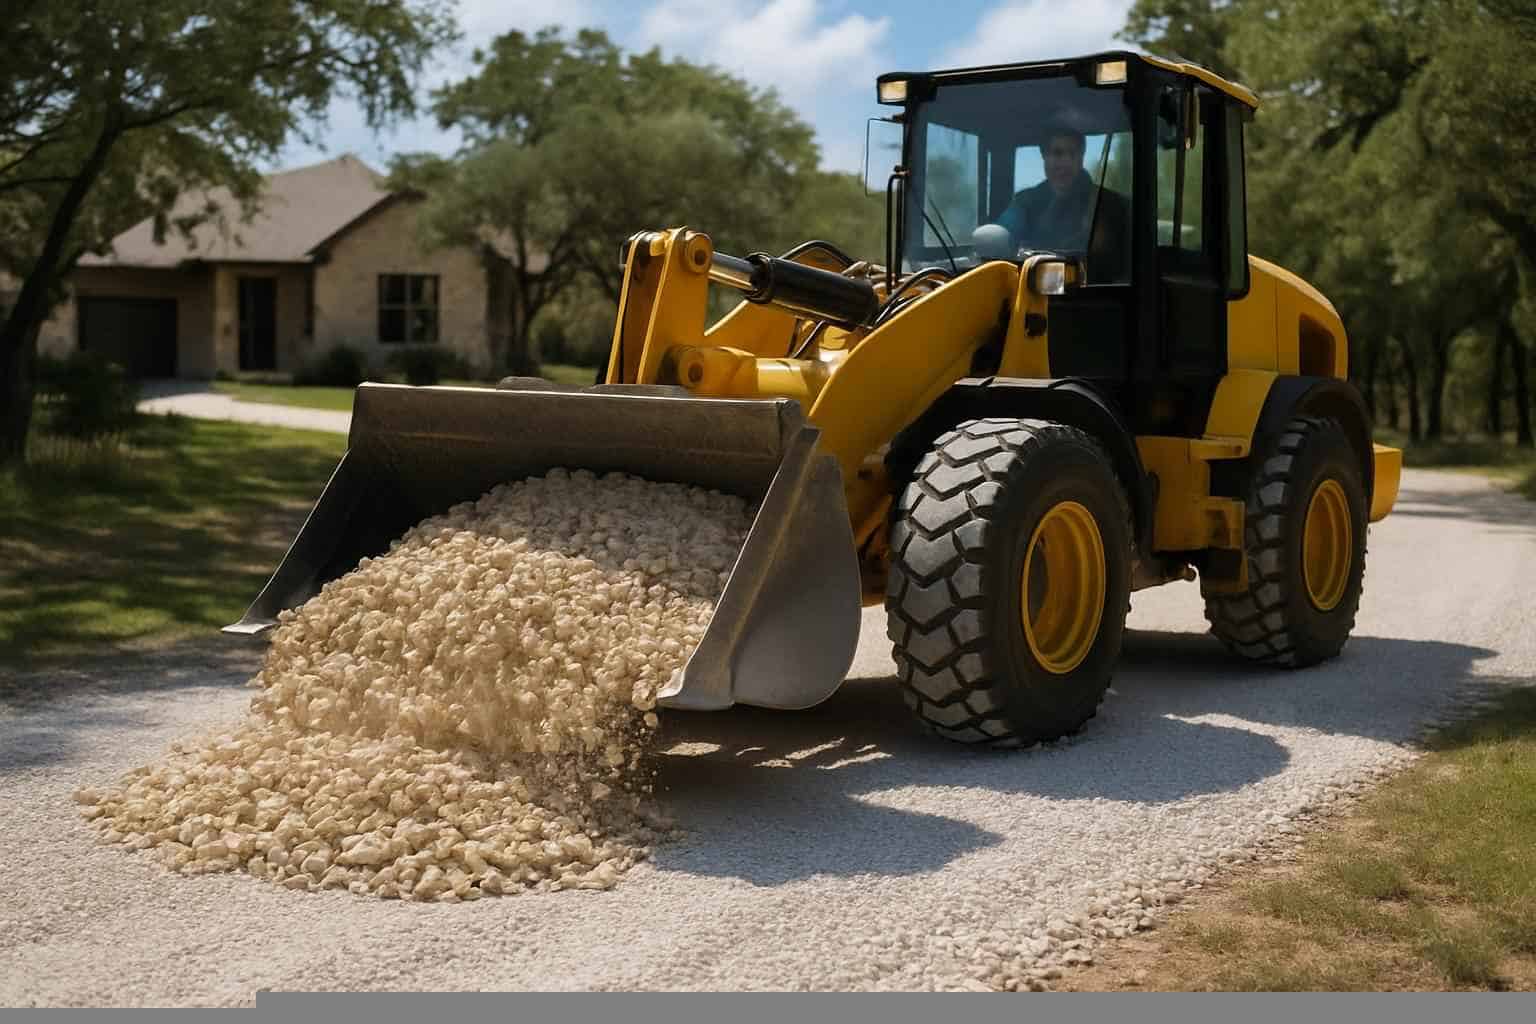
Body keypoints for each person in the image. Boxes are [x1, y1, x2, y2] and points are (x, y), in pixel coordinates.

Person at [988, 129, 1131, 281]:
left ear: (1081, 157)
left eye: (1072, 154)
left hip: (1096, 296)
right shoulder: (1026, 202)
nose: (1065, 163)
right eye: (1057, 153)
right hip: (1030, 291)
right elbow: (1003, 233)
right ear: (1044, 156)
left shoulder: (1110, 204)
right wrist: (996, 238)